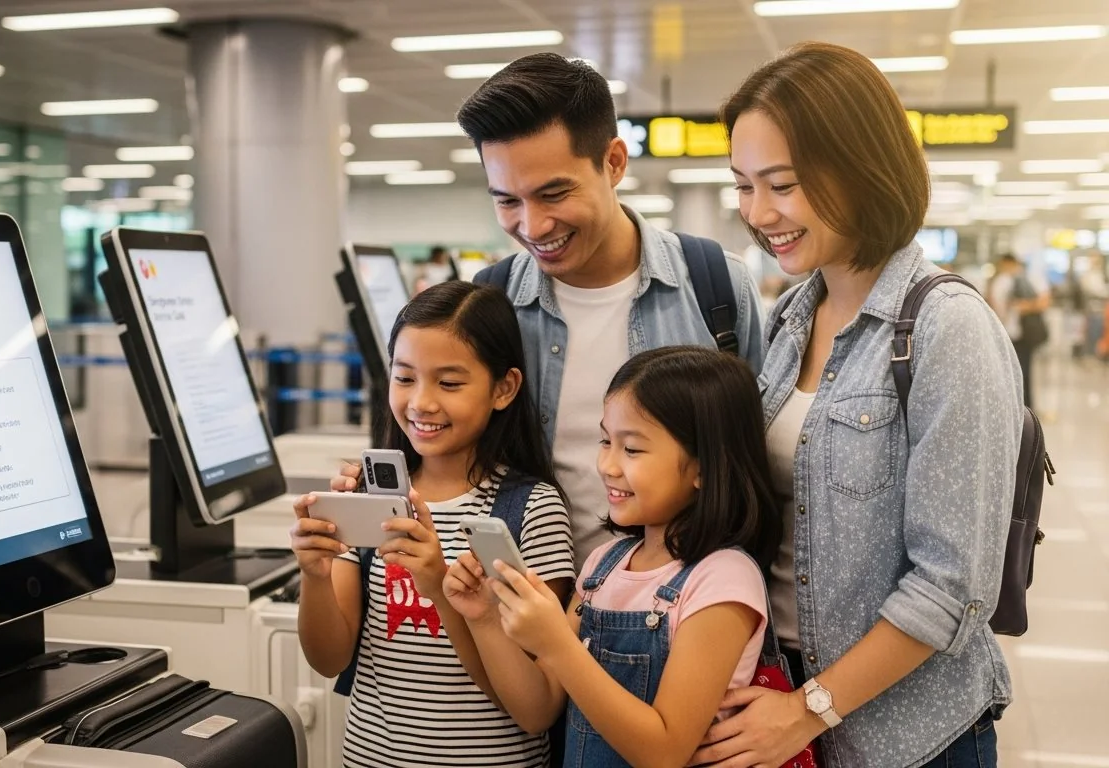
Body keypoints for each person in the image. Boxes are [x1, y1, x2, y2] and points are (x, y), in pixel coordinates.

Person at [693, 41, 1022, 768]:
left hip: (911, 738)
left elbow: (951, 585)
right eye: (744, 185)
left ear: (861, 166)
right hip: (783, 709)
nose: (758, 212)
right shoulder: (785, 322)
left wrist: (811, 709)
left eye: (781, 184)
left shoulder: (947, 329)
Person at [336, 53, 767, 566]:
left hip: (686, 614)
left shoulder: (714, 285)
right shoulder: (491, 303)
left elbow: (753, 467)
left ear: (613, 162)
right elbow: (453, 458)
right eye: (507, 201)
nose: (533, 226)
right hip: (522, 615)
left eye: (553, 193)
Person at [443, 346, 782, 768]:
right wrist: (484, 620)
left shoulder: (723, 578)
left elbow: (665, 751)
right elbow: (536, 711)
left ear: (705, 468)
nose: (607, 465)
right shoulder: (602, 565)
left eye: (633, 450)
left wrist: (559, 645)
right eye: (606, 440)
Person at [290, 281, 574, 768]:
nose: (421, 402)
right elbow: (328, 659)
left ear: (503, 388)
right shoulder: (365, 498)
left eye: (449, 383)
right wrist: (314, 575)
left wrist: (439, 587)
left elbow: (533, 710)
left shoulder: (532, 509)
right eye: (405, 378)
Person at [988, 254, 1050, 408]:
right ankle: (1024, 409)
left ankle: (1020, 409)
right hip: (1015, 334)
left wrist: (1021, 306)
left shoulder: (1011, 280)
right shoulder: (1007, 280)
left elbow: (995, 307)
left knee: (1017, 374)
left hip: (1014, 334)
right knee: (1021, 374)